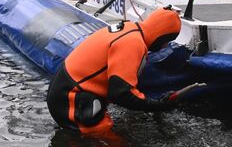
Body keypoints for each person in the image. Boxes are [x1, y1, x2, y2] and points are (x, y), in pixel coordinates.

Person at [46, 7, 182, 135]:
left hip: (66, 89)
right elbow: (121, 93)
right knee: (105, 137)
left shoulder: (129, 28)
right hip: (72, 97)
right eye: (167, 41)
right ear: (161, 36)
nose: (166, 46)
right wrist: (157, 105)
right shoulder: (133, 44)